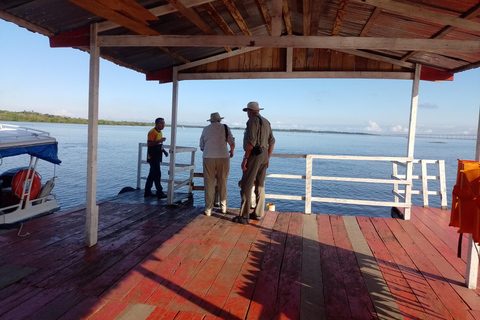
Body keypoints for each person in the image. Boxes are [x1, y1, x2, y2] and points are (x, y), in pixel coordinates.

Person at [234, 101, 275, 225]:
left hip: (254, 155)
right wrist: (267, 158)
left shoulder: (252, 120)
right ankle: (258, 213)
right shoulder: (266, 122)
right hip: (264, 155)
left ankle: (244, 216)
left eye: (247, 111)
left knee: (246, 184)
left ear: (249, 111)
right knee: (260, 185)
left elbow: (251, 141)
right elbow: (272, 141)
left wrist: (246, 158)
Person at [199, 112, 235, 216]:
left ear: (211, 120)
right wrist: (231, 152)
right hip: (223, 157)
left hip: (208, 157)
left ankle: (208, 209)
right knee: (222, 182)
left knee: (209, 183)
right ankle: (223, 207)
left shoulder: (205, 129)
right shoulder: (225, 127)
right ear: (219, 120)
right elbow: (231, 142)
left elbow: (202, 146)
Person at [144, 117, 169, 199]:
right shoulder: (152, 132)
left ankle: (147, 192)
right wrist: (160, 140)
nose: (163, 125)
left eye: (164, 123)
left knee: (152, 174)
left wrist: (164, 151)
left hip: (157, 155)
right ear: (156, 124)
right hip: (152, 156)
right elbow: (149, 144)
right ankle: (159, 192)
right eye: (161, 123)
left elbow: (159, 145)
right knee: (157, 174)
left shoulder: (160, 132)